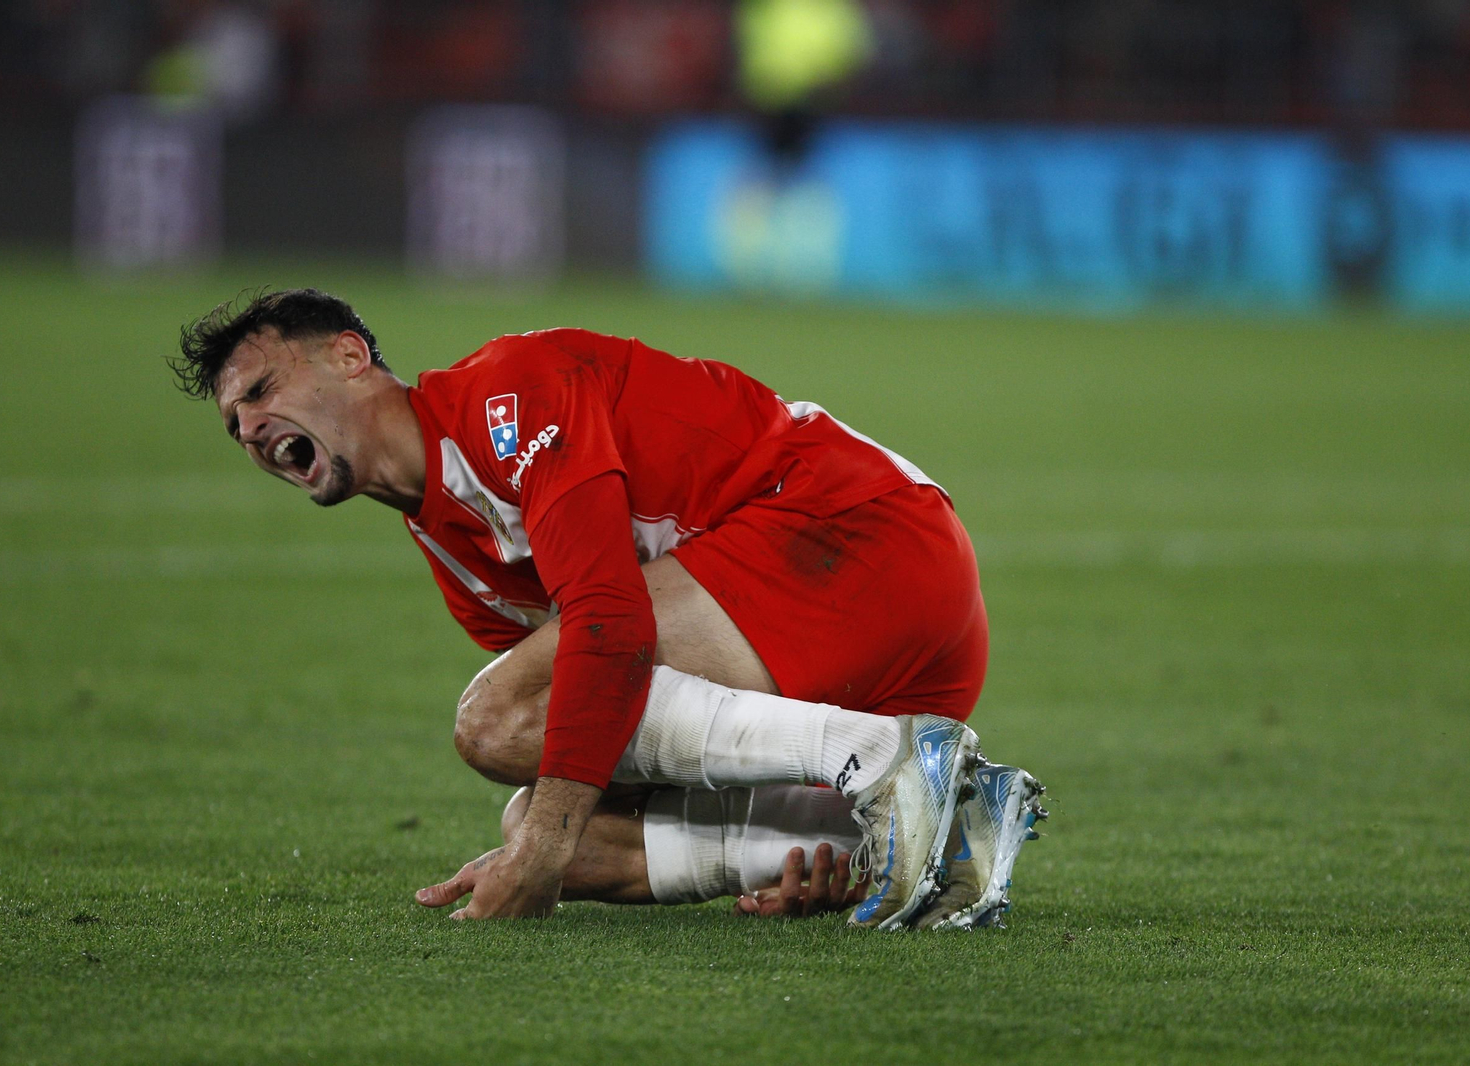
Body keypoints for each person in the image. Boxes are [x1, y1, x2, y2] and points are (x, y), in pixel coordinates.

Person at [171, 288, 1045, 930]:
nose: (248, 427)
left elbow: (614, 626)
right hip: (846, 650)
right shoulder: (450, 548)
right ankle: (920, 831)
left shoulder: (505, 395)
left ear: (351, 357)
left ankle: (878, 759)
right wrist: (563, 842)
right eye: (233, 423)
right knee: (543, 816)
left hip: (860, 537)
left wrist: (545, 844)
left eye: (259, 390)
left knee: (502, 723)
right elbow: (663, 724)